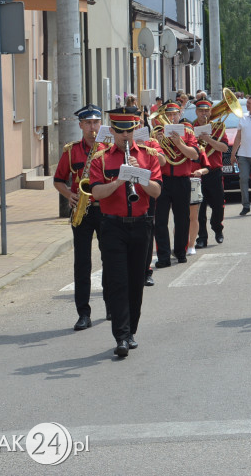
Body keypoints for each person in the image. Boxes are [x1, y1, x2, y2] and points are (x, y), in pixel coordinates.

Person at [88, 107, 163, 357]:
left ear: (134, 130)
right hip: (112, 226)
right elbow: (96, 193)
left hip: (141, 224)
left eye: (129, 132)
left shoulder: (148, 156)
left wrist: (138, 176)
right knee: (118, 282)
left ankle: (131, 331)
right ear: (112, 132)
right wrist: (120, 180)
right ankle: (120, 336)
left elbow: (156, 192)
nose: (125, 137)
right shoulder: (100, 158)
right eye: (120, 132)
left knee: (135, 283)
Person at [53, 104, 108, 331]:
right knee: (82, 264)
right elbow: (58, 180)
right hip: (81, 210)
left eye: (96, 122)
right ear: (80, 125)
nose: (92, 127)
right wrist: (70, 195)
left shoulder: (109, 148)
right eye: (88, 123)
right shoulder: (71, 150)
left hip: (105, 209)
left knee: (110, 261)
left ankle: (112, 306)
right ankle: (83, 313)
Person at [151, 101, 202, 268]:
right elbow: (152, 157)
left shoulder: (187, 132)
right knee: (160, 221)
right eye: (169, 115)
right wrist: (157, 143)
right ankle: (163, 256)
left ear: (180, 115)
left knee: (182, 220)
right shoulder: (157, 133)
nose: (172, 118)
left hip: (182, 180)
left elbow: (194, 155)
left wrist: (179, 143)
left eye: (175, 114)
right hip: (162, 181)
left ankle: (180, 252)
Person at [192, 99, 230, 249]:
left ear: (210, 112)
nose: (204, 114)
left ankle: (217, 228)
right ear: (196, 112)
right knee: (199, 208)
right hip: (197, 173)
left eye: (207, 111)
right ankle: (202, 237)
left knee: (218, 205)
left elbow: (224, 148)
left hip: (214, 172)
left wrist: (207, 139)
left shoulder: (218, 128)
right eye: (201, 111)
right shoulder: (191, 128)